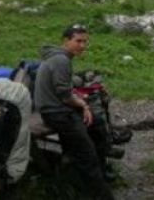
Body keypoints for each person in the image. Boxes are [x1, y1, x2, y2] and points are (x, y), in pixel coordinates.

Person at [34, 24, 114, 200]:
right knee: (87, 153)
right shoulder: (61, 60)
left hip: (57, 108)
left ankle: (101, 174)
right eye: (78, 41)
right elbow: (64, 95)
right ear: (66, 41)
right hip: (56, 112)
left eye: (85, 41)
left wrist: (80, 102)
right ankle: (99, 194)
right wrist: (83, 106)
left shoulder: (60, 58)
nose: (82, 45)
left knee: (97, 124)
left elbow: (66, 90)